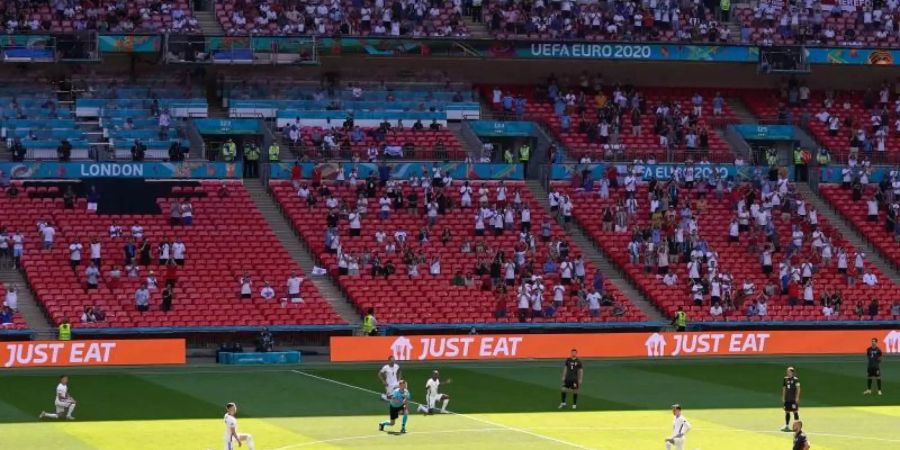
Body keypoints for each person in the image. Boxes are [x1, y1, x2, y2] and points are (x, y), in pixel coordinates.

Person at [781, 366, 801, 432]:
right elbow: (784, 388)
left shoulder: (796, 379)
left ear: (792, 372)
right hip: (787, 399)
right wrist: (783, 397)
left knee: (795, 411)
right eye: (787, 371)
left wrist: (797, 397)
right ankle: (787, 426)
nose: (787, 372)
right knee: (787, 411)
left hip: (793, 399)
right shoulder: (785, 379)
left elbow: (798, 389)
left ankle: (797, 426)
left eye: (789, 371)